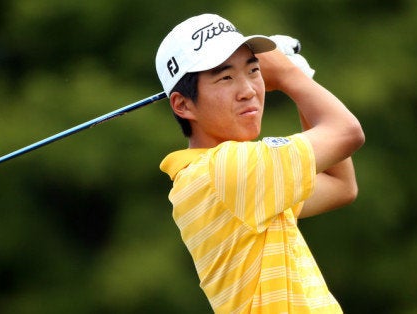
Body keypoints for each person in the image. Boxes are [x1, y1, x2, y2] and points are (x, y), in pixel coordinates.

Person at [155, 13, 365, 313]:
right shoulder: (228, 169)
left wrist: (299, 80)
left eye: (254, 71)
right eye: (226, 77)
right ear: (183, 104)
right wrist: (290, 77)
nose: (249, 91)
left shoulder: (215, 177)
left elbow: (340, 186)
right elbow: (347, 133)